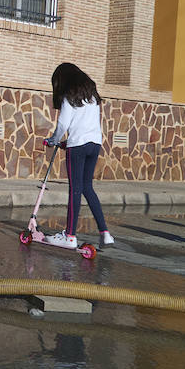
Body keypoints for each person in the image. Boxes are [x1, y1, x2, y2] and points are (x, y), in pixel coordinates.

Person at [44, 63, 114, 248]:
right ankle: (105, 233)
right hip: (94, 144)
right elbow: (87, 125)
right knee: (87, 188)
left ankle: (70, 236)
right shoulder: (91, 97)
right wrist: (70, 141)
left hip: (78, 147)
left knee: (75, 190)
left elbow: (63, 124)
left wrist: (53, 140)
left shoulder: (69, 97)